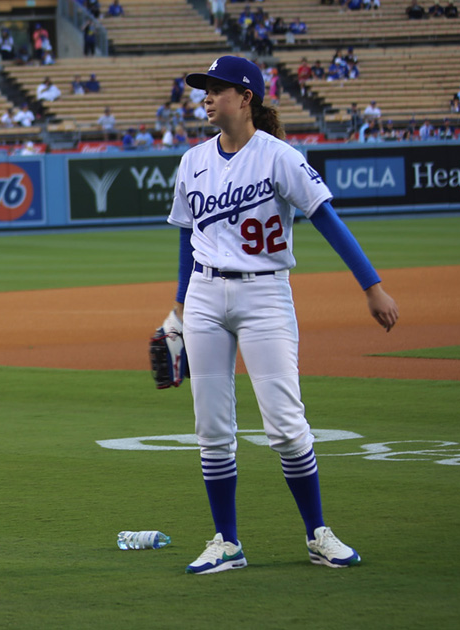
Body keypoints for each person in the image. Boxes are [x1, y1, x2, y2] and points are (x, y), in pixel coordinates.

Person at [169, 56, 398, 577]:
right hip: (205, 296)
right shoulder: (192, 161)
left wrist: (373, 288)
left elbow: (328, 220)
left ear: (245, 96)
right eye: (203, 89)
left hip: (265, 296)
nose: (206, 96)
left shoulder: (280, 158)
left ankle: (318, 534)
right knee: (211, 428)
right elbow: (188, 238)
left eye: (216, 88)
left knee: (287, 425)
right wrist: (177, 310)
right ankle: (226, 542)